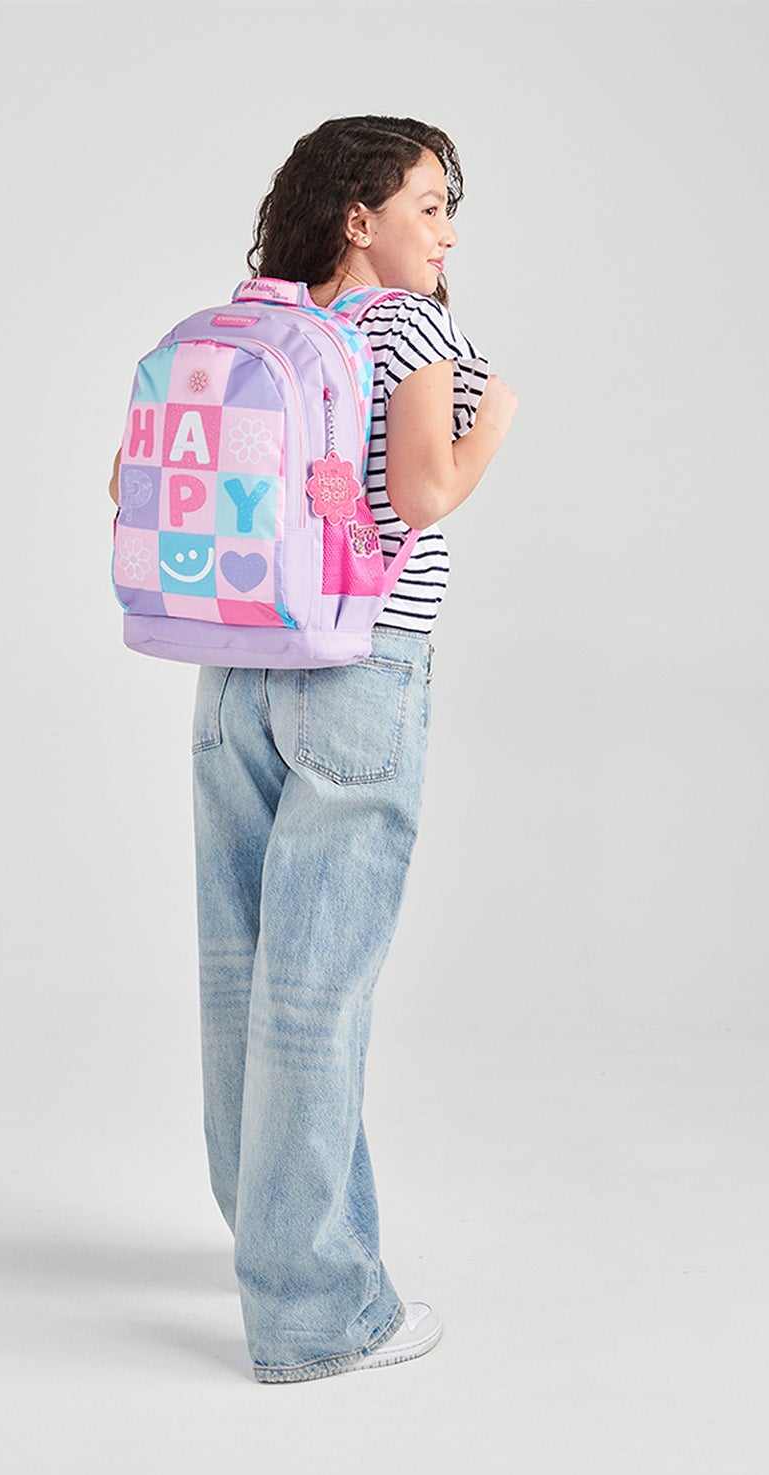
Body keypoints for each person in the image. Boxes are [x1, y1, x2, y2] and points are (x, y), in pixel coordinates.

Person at [110, 116, 518, 1383]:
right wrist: (498, 414)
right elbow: (425, 492)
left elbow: (132, 485)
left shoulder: (258, 325)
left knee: (240, 971)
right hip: (357, 667)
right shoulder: (412, 332)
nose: (447, 234)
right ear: (360, 217)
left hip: (233, 665)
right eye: (430, 207)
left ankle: (264, 1227)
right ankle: (317, 1311)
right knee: (318, 991)